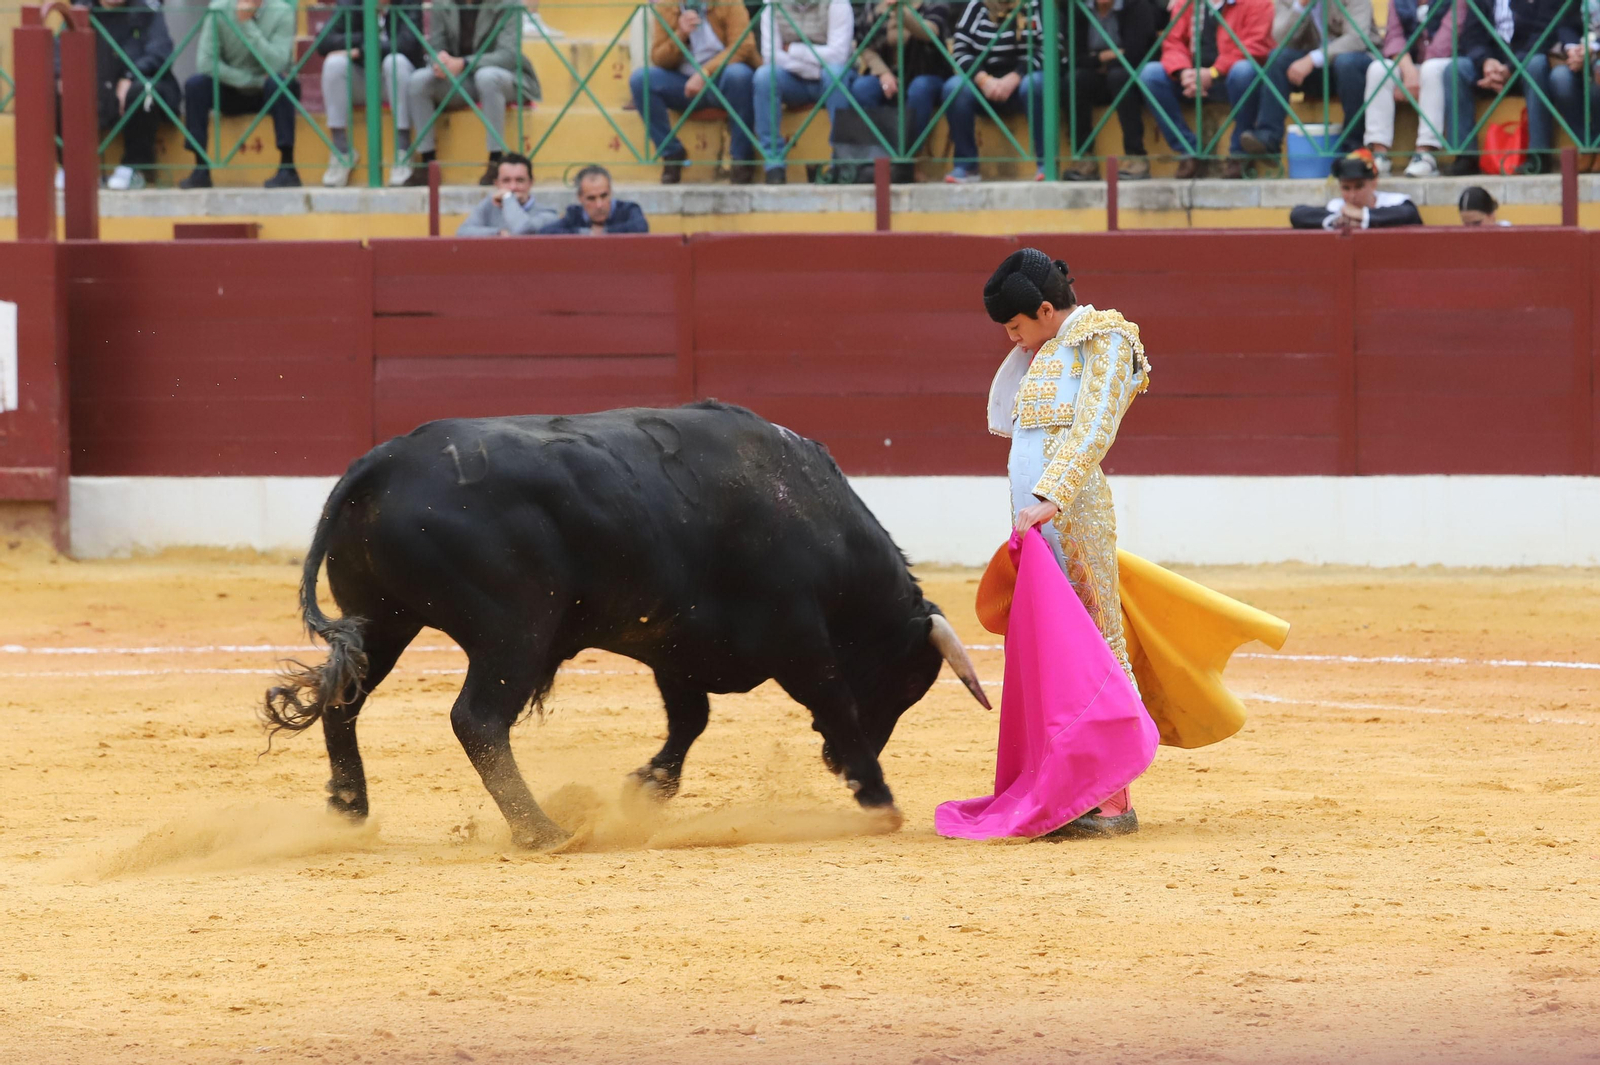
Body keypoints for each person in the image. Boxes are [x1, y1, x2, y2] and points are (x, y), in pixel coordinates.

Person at [981, 249, 1151, 834]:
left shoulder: (1106, 338)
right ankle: (1063, 783)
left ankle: (1112, 797)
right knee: (1050, 648)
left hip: (1073, 515)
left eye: (1015, 326)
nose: (1012, 339)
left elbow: (1096, 425)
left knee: (1095, 642)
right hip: (1035, 520)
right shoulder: (1047, 349)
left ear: (1046, 310)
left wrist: (1053, 496)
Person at [405, 0, 541, 186]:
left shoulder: (507, 4)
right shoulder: (442, 3)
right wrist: (440, 61)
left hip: (502, 76)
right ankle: (427, 163)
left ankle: (496, 160)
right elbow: (436, 46)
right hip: (460, 79)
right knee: (418, 81)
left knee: (487, 77)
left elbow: (509, 55)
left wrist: (465, 63)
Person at [1136, 0, 1273, 178]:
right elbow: (1173, 42)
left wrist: (1214, 72)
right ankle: (1189, 151)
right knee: (1150, 75)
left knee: (1244, 71)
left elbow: (1255, 45)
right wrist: (1183, 72)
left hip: (1230, 78)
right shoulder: (1187, 3)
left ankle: (1240, 154)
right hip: (1192, 79)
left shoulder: (1257, 3)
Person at [629, 0, 761, 185]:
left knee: (739, 75)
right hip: (684, 85)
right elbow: (659, 59)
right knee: (641, 80)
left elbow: (743, 45)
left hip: (722, 79)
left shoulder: (729, 3)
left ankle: (742, 158)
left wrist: (705, 73)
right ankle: (671, 153)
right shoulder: (667, 6)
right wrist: (680, 34)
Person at [1445, 0, 1581, 175]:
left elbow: (1544, 33)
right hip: (1490, 64)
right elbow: (1472, 34)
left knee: (1537, 64)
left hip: (1525, 60)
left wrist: (1511, 67)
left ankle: (1538, 154)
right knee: (1456, 69)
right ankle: (1465, 156)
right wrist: (1485, 61)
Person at [180, 0, 300, 189]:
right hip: (233, 89)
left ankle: (288, 167)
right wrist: (252, 80)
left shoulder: (282, 11)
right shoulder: (218, 9)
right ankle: (200, 168)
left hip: (269, 93)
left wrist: (246, 25)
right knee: (195, 85)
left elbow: (278, 64)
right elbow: (206, 63)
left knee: (280, 83)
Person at [1239, 0, 1379, 161]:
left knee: (1346, 63)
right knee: (1278, 58)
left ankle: (1353, 148)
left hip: (1358, 63)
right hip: (1319, 71)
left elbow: (1357, 39)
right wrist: (1300, 6)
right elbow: (1281, 39)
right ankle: (1268, 137)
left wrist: (1313, 59)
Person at [65, 0, 179, 191]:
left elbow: (160, 52)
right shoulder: (82, 10)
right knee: (57, 89)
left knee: (142, 91)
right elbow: (59, 52)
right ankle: (71, 166)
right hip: (98, 93)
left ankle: (134, 167)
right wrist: (62, 76)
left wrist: (131, 75)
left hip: (136, 93)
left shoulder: (146, 9)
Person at [943, 0, 1059, 183]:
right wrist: (984, 80)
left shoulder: (1036, 5)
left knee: (1035, 84)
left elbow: (1051, 47)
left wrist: (1016, 76)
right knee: (953, 88)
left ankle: (1046, 163)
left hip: (1023, 80)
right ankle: (967, 165)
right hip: (984, 85)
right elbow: (959, 51)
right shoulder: (977, 6)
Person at [317, 0, 430, 187]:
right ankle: (341, 152)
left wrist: (362, 50)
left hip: (396, 82)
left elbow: (409, 44)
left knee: (395, 62)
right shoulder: (351, 2)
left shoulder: (408, 1)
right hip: (363, 80)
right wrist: (365, 37)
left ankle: (403, 152)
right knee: (333, 64)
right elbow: (323, 42)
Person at [752, 0, 854, 184]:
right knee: (764, 76)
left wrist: (793, 49)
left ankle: (840, 161)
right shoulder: (772, 4)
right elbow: (770, 55)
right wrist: (814, 69)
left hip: (828, 79)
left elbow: (838, 55)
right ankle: (773, 163)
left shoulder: (838, 3)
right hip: (796, 78)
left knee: (835, 74)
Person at [1064, 0, 1166, 181]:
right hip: (1097, 75)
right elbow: (1074, 58)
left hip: (1133, 77)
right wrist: (1107, 56)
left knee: (1119, 77)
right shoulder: (1080, 10)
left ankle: (1136, 156)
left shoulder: (1136, 6)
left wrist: (1098, 60)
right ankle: (1084, 157)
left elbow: (1135, 54)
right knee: (1074, 80)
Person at [1360, 0, 1460, 177]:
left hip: (1442, 62)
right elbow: (1394, 38)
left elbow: (1447, 39)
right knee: (1379, 69)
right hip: (1409, 65)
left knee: (1431, 70)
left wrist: (1416, 80)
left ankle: (1425, 153)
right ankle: (1379, 153)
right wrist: (1409, 74)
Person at [848, 1, 954, 163]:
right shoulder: (874, 5)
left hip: (927, 73)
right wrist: (883, 73)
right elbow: (865, 44)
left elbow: (930, 32)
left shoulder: (934, 3)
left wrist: (900, 11)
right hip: (888, 74)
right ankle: (878, 158)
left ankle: (907, 159)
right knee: (863, 88)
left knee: (919, 89)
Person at [1289, 148, 1421, 227]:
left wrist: (1361, 215)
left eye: (1359, 187)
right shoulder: (1336, 207)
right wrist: (1337, 220)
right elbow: (1297, 214)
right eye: (1346, 188)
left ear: (1373, 183)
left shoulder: (1393, 202)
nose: (1352, 195)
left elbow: (1409, 213)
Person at [456, 151, 557, 235]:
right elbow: (463, 232)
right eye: (506, 181)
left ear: (530, 183)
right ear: (497, 184)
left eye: (520, 180)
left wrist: (508, 197)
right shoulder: (488, 206)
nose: (513, 187)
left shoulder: (547, 213)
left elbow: (522, 230)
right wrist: (498, 233)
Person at [538, 165, 651, 233]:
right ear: (580, 198)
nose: (599, 205)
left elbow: (641, 227)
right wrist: (586, 233)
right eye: (591, 198)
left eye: (604, 196)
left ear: (610, 192)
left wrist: (604, 232)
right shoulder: (574, 215)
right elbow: (545, 232)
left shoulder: (628, 210)